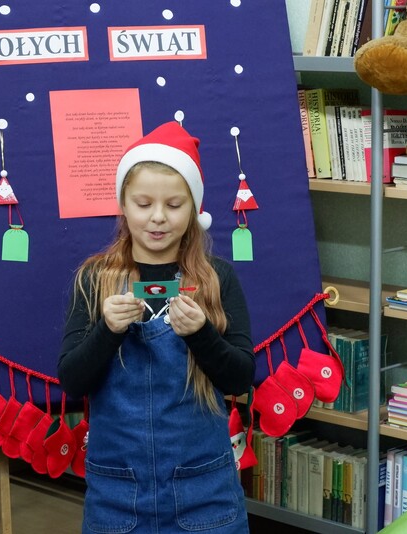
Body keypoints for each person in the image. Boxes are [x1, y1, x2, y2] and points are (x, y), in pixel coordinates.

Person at [58, 121, 255, 533]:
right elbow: (73, 381)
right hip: (118, 495)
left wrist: (202, 335)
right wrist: (107, 330)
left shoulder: (217, 278)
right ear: (124, 204)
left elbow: (240, 378)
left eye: (175, 204)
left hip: (205, 492)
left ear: (194, 208)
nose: (158, 217)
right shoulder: (94, 279)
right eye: (144, 203)